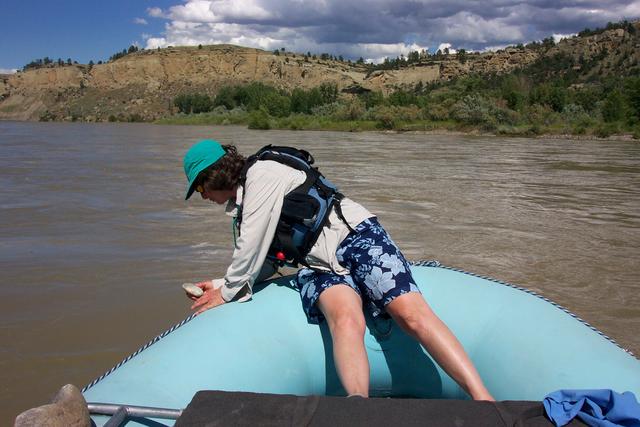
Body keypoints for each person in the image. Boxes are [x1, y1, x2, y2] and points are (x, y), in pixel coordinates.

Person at [183, 139, 494, 401]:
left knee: (412, 317)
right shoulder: (243, 205)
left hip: (355, 237)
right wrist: (220, 283)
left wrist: (227, 292)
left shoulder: (262, 174)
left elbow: (249, 248)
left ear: (212, 177)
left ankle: (483, 400)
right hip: (317, 264)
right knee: (346, 320)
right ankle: (358, 406)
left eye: (200, 189)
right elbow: (264, 261)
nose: (204, 197)